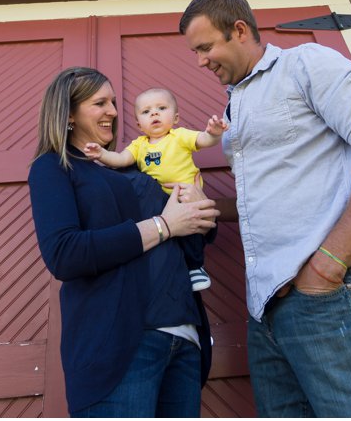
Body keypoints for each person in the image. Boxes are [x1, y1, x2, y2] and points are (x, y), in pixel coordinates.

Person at [179, 0, 351, 417]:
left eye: (205, 47)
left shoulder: (306, 65)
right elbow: (270, 197)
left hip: (332, 295)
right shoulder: (235, 110)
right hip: (267, 312)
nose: (201, 61)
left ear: (239, 30)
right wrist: (204, 209)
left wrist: (327, 267)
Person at [27, 66, 220, 417]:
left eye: (114, 103)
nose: (115, 112)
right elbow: (64, 254)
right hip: (122, 346)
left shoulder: (135, 169)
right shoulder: (53, 168)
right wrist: (163, 225)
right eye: (100, 103)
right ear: (68, 113)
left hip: (184, 339)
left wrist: (197, 211)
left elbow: (189, 236)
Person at [83, 87, 228, 291]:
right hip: (158, 200)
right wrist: (101, 154)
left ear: (176, 117)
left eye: (161, 108)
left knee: (192, 231)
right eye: (146, 112)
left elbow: (204, 140)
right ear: (138, 124)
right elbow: (121, 159)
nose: (154, 114)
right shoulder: (139, 145)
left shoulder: (179, 136)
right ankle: (176, 269)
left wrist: (213, 134)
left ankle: (195, 267)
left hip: (185, 195)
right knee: (169, 237)